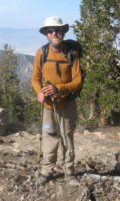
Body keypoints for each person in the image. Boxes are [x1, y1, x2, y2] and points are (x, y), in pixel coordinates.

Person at [31, 16, 82, 186]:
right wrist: (40, 93)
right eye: (50, 30)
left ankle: (70, 172)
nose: (54, 33)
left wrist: (58, 88)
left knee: (67, 136)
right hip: (47, 105)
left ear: (63, 32)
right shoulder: (41, 52)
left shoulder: (72, 53)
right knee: (49, 137)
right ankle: (46, 172)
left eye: (57, 30)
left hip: (66, 103)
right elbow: (35, 79)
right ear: (46, 33)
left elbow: (77, 81)